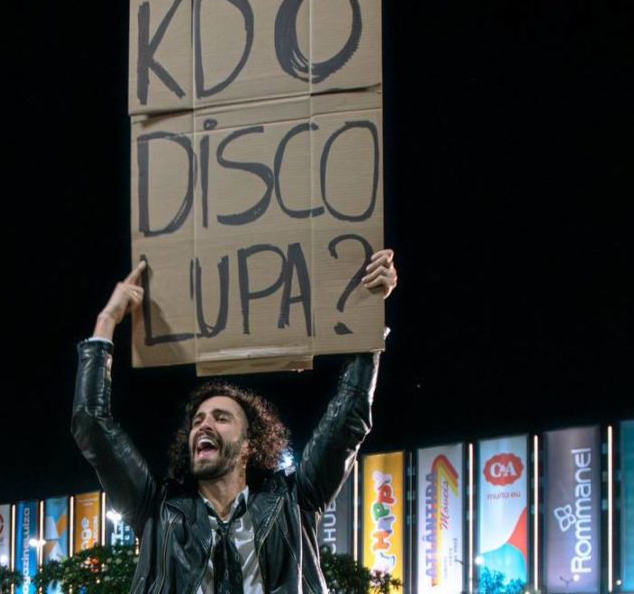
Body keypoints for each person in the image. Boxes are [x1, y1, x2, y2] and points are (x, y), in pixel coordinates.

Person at [72, 250, 397, 594]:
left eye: (221, 418)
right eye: (197, 420)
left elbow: (348, 420)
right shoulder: (157, 510)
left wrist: (369, 313)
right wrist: (107, 320)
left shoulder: (293, 503)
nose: (203, 425)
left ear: (248, 445)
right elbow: (91, 424)